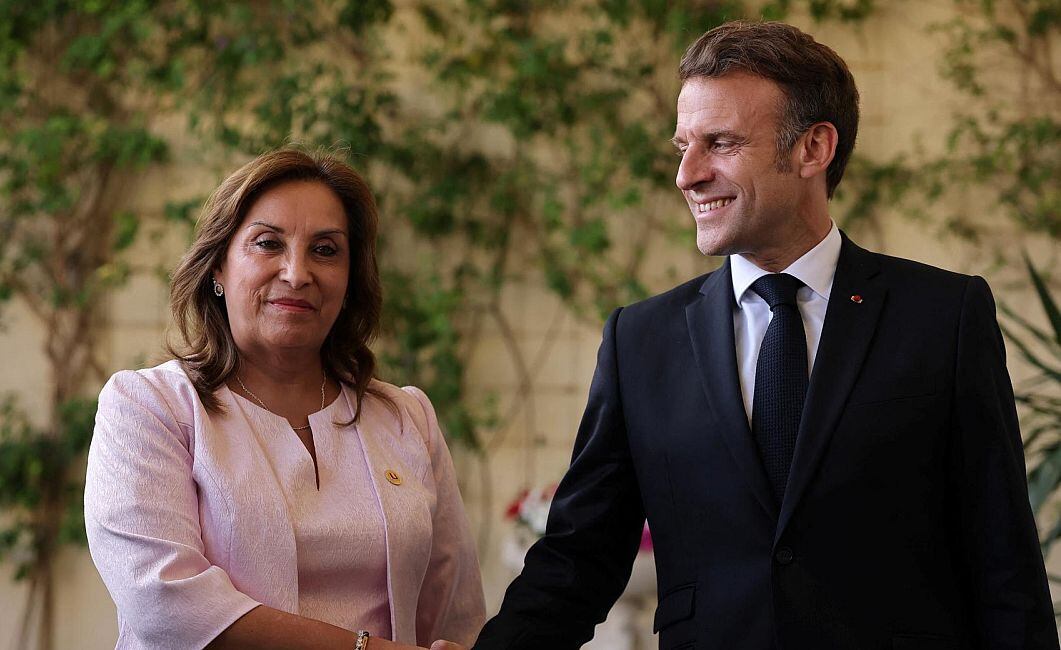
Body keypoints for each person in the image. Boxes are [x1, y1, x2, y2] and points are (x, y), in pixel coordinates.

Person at [471, 20, 1058, 650]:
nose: (687, 176)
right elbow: (579, 556)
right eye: (682, 147)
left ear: (813, 149)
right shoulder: (640, 339)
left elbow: (1004, 561)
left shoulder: (944, 315)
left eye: (720, 143)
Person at [85, 149, 484, 650]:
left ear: (350, 278)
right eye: (268, 243)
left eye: (325, 250)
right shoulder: (150, 407)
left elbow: (455, 612)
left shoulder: (406, 418)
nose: (297, 273)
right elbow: (165, 601)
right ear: (218, 269)